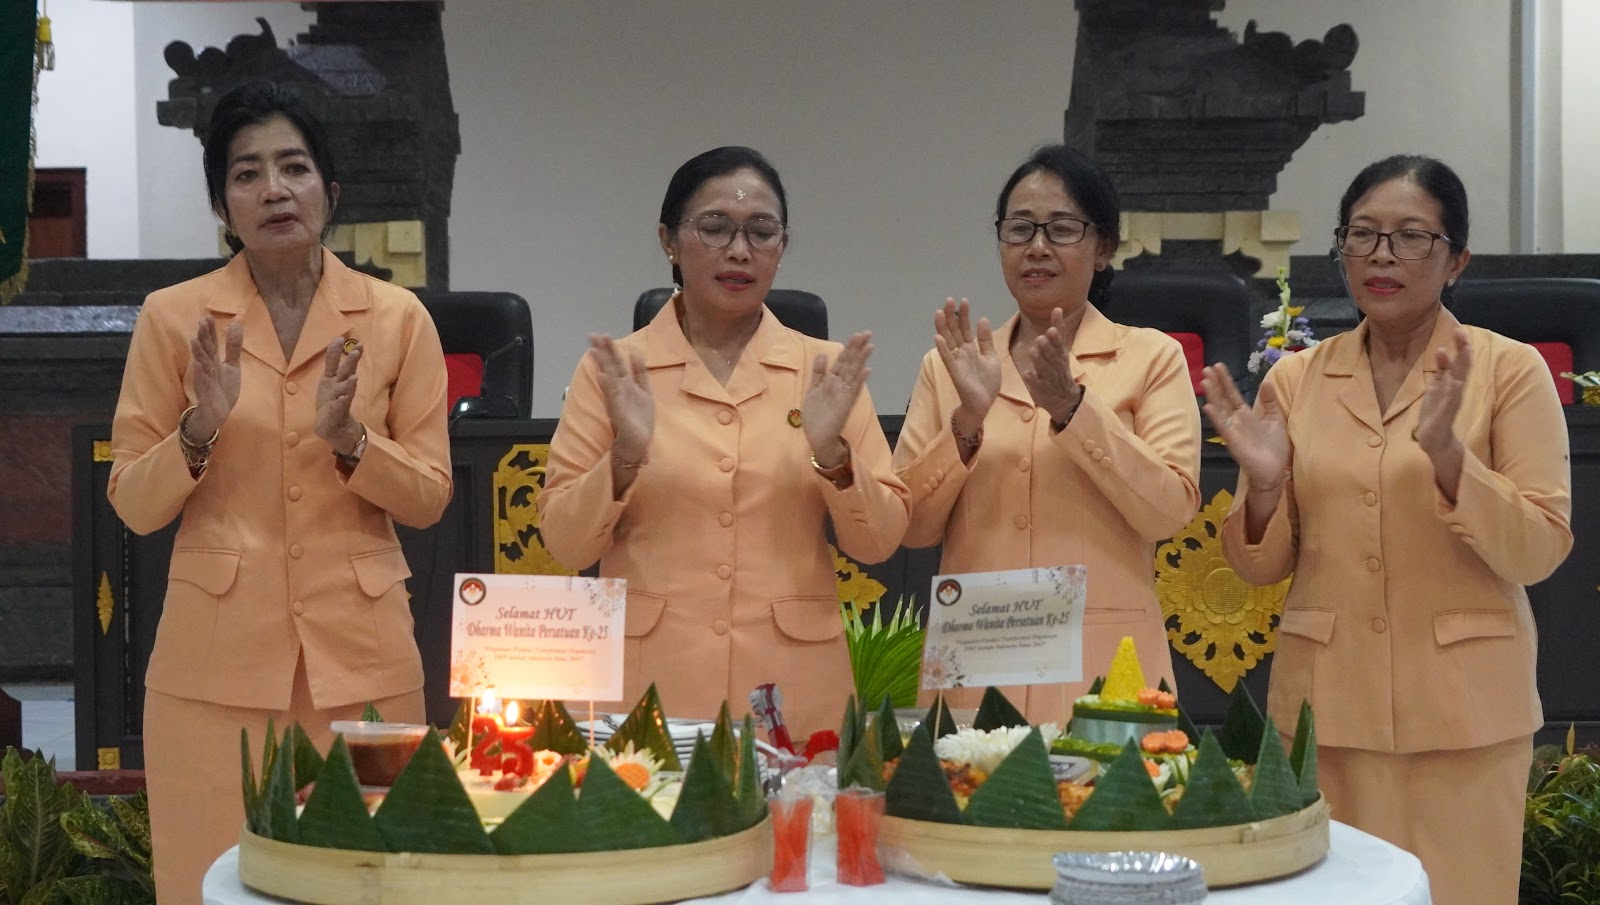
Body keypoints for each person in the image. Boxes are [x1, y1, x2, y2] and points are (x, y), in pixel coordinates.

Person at [108, 82, 451, 904]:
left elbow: (430, 496)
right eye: (246, 173)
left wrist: (353, 441)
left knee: (372, 885)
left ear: (330, 192)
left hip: (363, 667)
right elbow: (133, 503)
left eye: (294, 168)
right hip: (212, 673)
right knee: (206, 884)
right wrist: (199, 428)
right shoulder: (174, 319)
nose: (273, 190)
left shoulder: (397, 318)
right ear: (222, 206)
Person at [1204, 155, 1571, 905]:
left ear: (1456, 258)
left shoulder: (1508, 371)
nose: (1381, 255)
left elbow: (1538, 547)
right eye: (1363, 235)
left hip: (1466, 714)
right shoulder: (1295, 379)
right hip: (1327, 709)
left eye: (1410, 237)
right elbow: (1257, 567)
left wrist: (1449, 458)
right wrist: (1265, 487)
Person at [538, 146, 910, 739]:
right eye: (715, 227)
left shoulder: (824, 371)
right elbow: (565, 543)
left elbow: (880, 542)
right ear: (668, 240)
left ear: (781, 248)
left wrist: (833, 456)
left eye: (762, 232)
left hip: (793, 685)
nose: (740, 251)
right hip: (650, 684)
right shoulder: (615, 372)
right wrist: (624, 458)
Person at [892, 144, 1201, 724]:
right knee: (969, 783)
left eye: (1061, 229)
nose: (1037, 247)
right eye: (1020, 229)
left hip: (1104, 666)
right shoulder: (951, 366)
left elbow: (1169, 513)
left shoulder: (1151, 358)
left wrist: (1073, 409)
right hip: (977, 659)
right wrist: (967, 422)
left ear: (1103, 248)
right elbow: (908, 527)